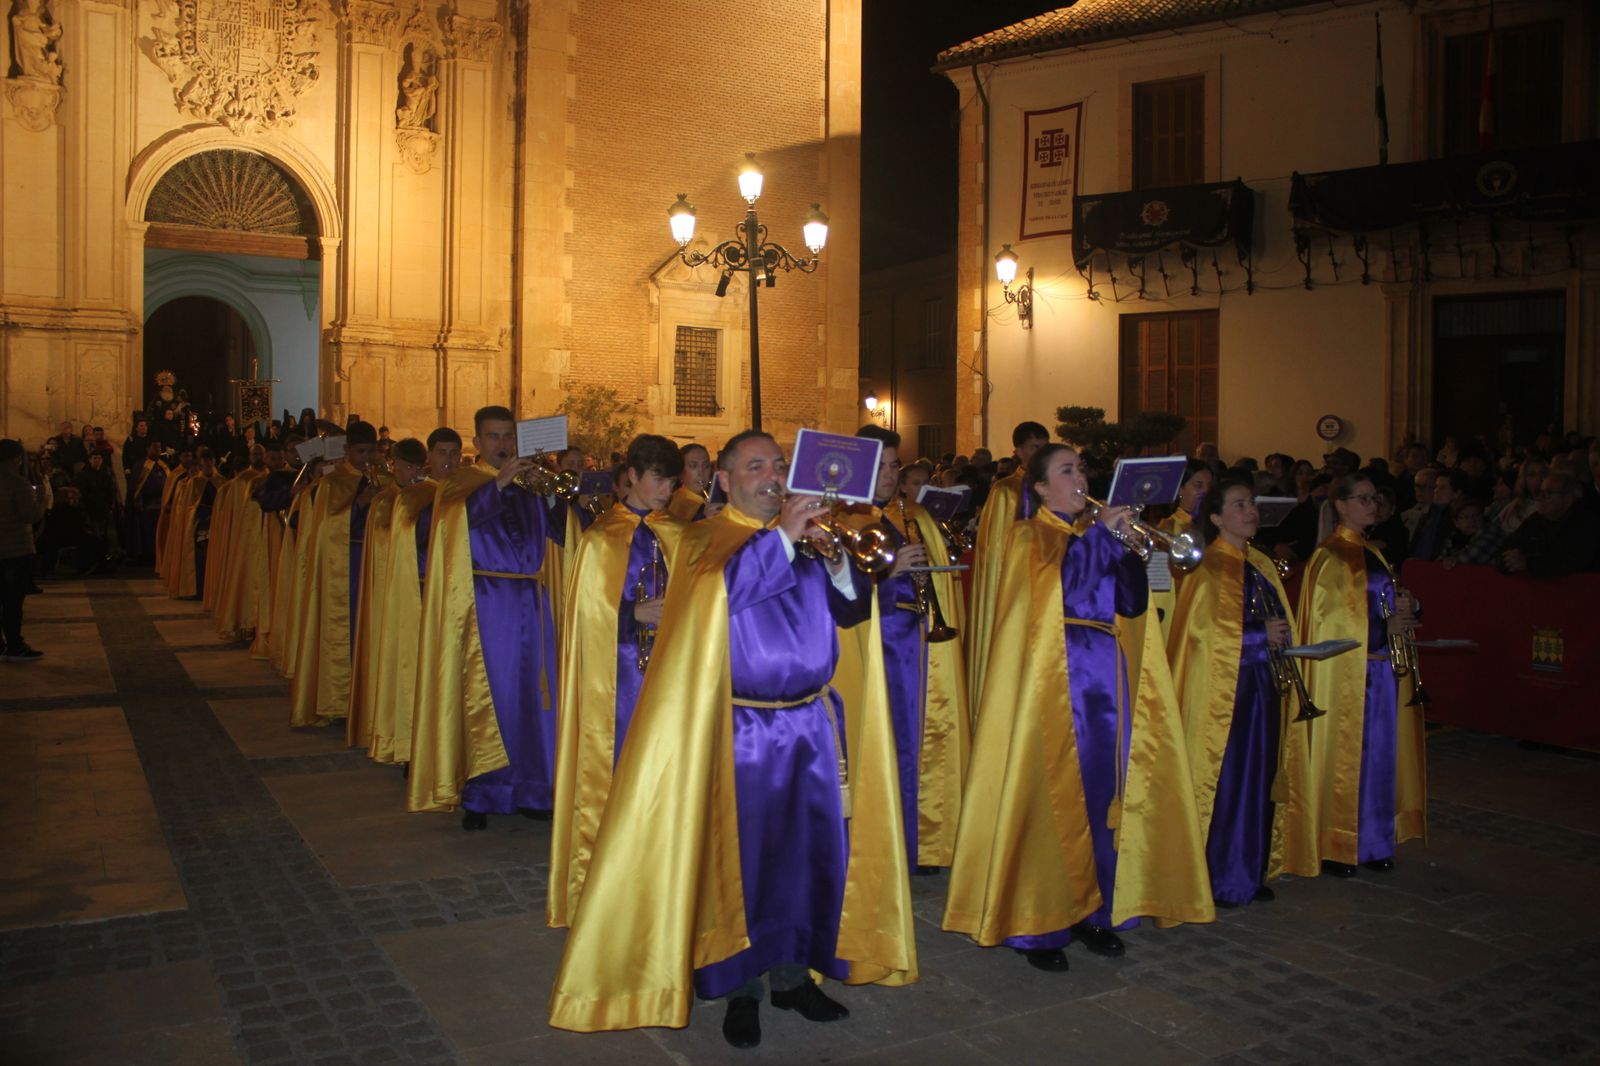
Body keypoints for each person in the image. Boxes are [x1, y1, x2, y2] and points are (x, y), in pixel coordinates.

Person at [548, 429, 914, 1046]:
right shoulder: (702, 538)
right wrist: (783, 540)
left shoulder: (811, 537)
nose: (771, 476)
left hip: (811, 725)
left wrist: (838, 564)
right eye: (755, 466)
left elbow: (851, 612)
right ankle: (742, 988)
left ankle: (795, 977)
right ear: (724, 479)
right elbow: (721, 595)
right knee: (743, 864)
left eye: (778, 465)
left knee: (806, 856)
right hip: (741, 729)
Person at [944, 443, 1212, 971]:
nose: (1080, 478)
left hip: (1103, 681)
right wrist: (1102, 538)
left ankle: (1093, 909)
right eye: (1066, 471)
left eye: (1081, 469)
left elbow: (1131, 603)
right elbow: (1063, 587)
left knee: (1100, 798)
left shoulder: (1090, 534)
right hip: (1054, 682)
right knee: (1049, 800)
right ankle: (1040, 922)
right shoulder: (1029, 535)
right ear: (1042, 487)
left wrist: (1130, 549)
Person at [548, 434, 686, 927]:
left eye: (672, 482)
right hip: (619, 676)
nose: (666, 491)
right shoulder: (601, 537)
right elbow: (585, 617)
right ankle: (610, 877)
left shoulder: (680, 533)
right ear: (631, 476)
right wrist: (632, 613)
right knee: (619, 771)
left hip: (670, 674)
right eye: (658, 480)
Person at [408, 406, 568, 827]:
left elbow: (561, 534)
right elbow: (439, 527)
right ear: (477, 443)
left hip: (532, 599)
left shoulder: (532, 484)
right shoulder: (461, 482)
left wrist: (559, 497)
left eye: (508, 437)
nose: (503, 445)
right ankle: (480, 796)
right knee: (490, 697)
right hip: (487, 602)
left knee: (537, 699)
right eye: (494, 437)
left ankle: (534, 789)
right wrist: (497, 485)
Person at [1169, 479, 1318, 908]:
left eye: (1251, 503)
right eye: (1239, 505)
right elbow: (1201, 636)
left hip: (1263, 685)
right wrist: (1257, 636)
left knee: (1260, 778)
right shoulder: (1209, 567)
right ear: (1216, 518)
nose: (1251, 511)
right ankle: (1222, 876)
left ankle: (1250, 869)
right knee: (1231, 779)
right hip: (1230, 692)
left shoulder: (1258, 563)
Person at [837, 426, 969, 872]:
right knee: (883, 745)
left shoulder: (910, 516)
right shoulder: (842, 520)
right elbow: (838, 595)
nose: (891, 475)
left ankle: (918, 842)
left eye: (895, 466)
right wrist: (888, 575)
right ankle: (882, 847)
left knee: (916, 744)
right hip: (873, 644)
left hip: (914, 641)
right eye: (881, 467)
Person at [1294, 475, 1425, 878]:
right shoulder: (1329, 557)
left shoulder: (1372, 551)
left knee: (1380, 757)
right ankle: (1336, 844)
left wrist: (1409, 607)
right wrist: (1384, 626)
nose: (1373, 505)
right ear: (1341, 505)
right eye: (1364, 498)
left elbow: (1381, 602)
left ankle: (1373, 841)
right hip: (1349, 674)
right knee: (1347, 757)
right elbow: (1331, 622)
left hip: (1381, 670)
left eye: (1375, 498)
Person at [363, 429, 461, 763]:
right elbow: (411, 538)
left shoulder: (470, 489)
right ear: (429, 457)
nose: (449, 460)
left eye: (454, 453)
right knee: (422, 667)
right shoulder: (415, 496)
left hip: (459, 593)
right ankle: (417, 743)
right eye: (442, 453)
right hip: (421, 590)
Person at [287, 422, 385, 727]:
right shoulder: (331, 484)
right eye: (360, 451)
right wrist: (359, 504)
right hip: (346, 566)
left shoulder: (386, 478)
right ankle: (341, 699)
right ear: (347, 450)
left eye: (371, 451)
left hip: (377, 563)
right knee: (347, 630)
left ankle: (373, 698)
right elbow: (326, 528)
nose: (366, 457)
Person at [966, 420, 1051, 721]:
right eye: (1034, 447)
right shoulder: (1005, 491)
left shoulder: (1052, 489)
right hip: (1016, 585)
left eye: (1045, 447)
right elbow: (996, 549)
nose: (1040, 453)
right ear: (1018, 451)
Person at [348, 438, 429, 751]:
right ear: (395, 466)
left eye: (417, 467)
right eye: (407, 467)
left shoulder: (429, 493)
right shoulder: (385, 499)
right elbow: (383, 541)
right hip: (391, 585)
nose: (413, 473)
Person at [1500, 472, 1599, 577]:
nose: (1540, 497)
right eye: (1540, 492)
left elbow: (1571, 562)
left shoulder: (1586, 524)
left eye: (1549, 493)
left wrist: (1528, 563)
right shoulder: (1535, 520)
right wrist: (1510, 560)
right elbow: (1508, 547)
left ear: (1568, 497)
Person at [0, 440, 46, 662]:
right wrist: (42, 498)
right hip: (15, 550)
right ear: (15, 458)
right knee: (12, 601)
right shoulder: (17, 483)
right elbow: (31, 515)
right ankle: (15, 645)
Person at [125, 442, 168, 564]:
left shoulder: (163, 465)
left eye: (159, 448)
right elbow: (136, 487)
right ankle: (149, 555)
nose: (157, 450)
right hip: (147, 506)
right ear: (148, 449)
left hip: (163, 505)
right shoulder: (141, 466)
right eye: (155, 448)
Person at [668, 442, 713, 521]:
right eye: (693, 466)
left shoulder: (710, 498)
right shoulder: (680, 504)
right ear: (681, 472)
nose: (701, 472)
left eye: (706, 466)